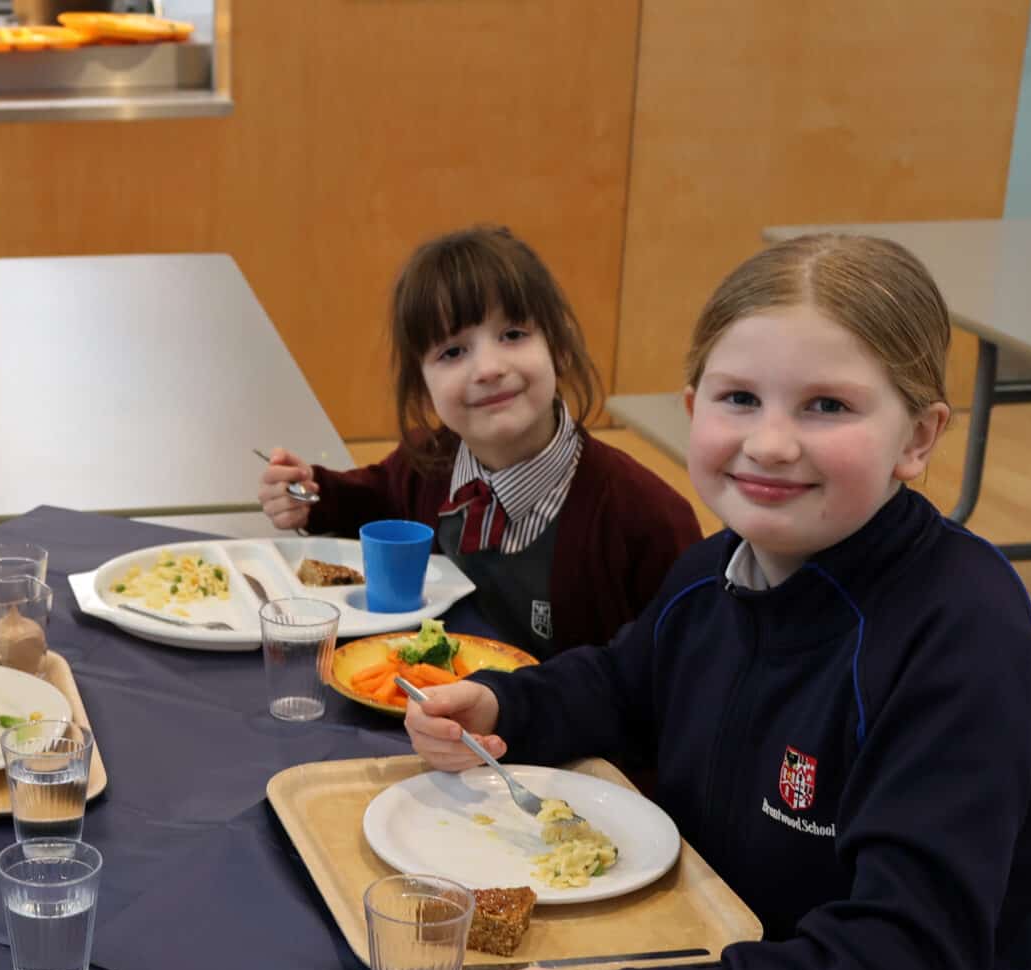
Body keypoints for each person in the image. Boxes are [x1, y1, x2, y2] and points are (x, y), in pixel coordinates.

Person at [406, 234, 1031, 970]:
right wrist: (507, 708)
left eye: (827, 405)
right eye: (738, 397)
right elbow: (624, 682)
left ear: (918, 436)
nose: (772, 441)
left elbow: (906, 964)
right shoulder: (716, 567)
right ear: (694, 402)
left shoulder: (962, 631)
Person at [256, 225, 700, 655]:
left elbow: (682, 674)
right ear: (423, 386)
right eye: (452, 352)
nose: (488, 368)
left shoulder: (646, 517)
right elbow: (375, 498)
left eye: (513, 335)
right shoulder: (429, 462)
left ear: (559, 347)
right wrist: (310, 493)